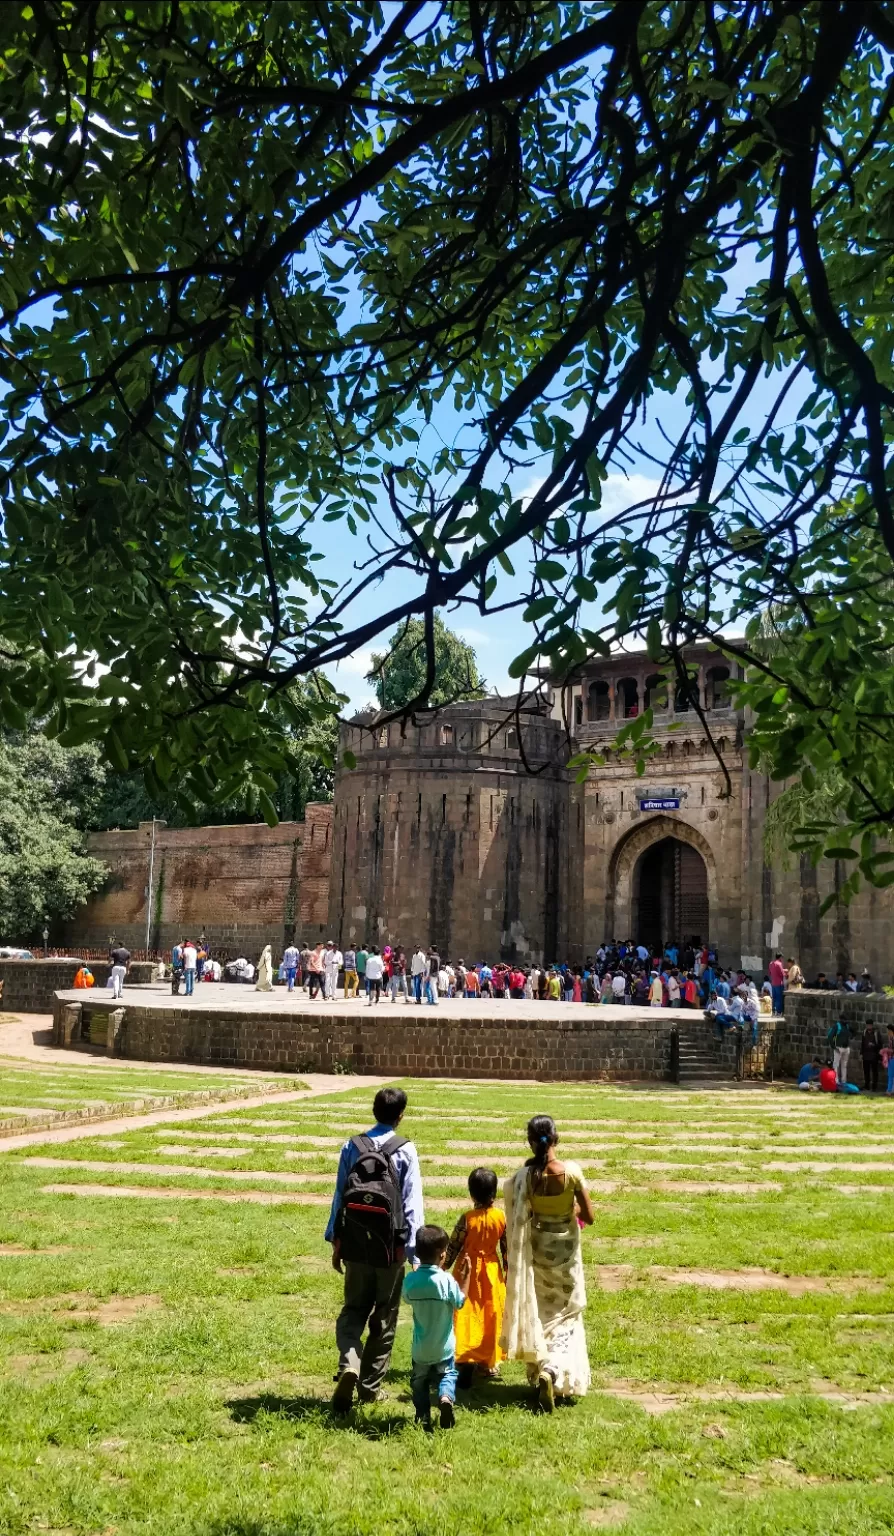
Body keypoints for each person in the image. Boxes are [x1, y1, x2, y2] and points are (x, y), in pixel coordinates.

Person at [327, 1086, 424, 1414]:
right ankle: (369, 1388)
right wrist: (412, 1253)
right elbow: (412, 1205)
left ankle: (349, 1363)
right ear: (401, 1115)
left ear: (373, 1111)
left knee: (353, 1309)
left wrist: (336, 1240)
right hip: (389, 1249)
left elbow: (340, 1195)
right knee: (384, 1317)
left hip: (355, 1244)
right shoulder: (405, 1150)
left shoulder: (350, 1147)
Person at [501, 1115, 594, 1412]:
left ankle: (543, 1365)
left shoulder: (524, 1178)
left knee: (542, 1314)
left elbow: (516, 1208)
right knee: (566, 1316)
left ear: (531, 1142)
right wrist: (572, 1208)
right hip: (566, 1257)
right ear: (556, 1138)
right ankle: (553, 1371)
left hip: (539, 1254)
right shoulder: (572, 1173)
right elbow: (589, 1217)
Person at [402, 1226, 471, 1430]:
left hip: (420, 1349)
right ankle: (445, 1397)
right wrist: (465, 1278)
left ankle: (423, 1416)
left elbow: (405, 1297)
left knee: (419, 1383)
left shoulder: (411, 1281)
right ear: (443, 1255)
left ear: (417, 1253)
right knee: (448, 1375)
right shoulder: (447, 1280)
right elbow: (460, 1302)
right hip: (444, 1348)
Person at [445, 1167, 508, 1388]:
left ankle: (463, 1356)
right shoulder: (500, 1217)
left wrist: (442, 1266)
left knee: (465, 1313)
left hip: (467, 1270)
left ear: (471, 1193)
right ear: (495, 1193)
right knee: (491, 1315)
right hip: (491, 1271)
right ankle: (488, 1363)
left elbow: (453, 1245)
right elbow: (506, 1248)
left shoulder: (467, 1218)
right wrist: (508, 1272)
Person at [827, 1018, 852, 1086]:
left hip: (846, 1048)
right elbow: (830, 1036)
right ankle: (836, 1081)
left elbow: (851, 1033)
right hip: (838, 1047)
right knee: (836, 1065)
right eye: (845, 1020)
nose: (846, 1021)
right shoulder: (837, 1026)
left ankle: (844, 1081)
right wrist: (834, 1047)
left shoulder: (847, 1026)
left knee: (844, 1065)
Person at [861, 1022, 883, 1092]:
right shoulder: (864, 1032)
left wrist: (873, 1045)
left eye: (870, 1025)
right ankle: (867, 1085)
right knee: (866, 1071)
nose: (868, 1026)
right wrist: (861, 1053)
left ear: (872, 1025)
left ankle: (874, 1087)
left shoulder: (876, 1033)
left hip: (874, 1056)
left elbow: (880, 1044)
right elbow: (862, 1043)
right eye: (867, 1025)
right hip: (866, 1055)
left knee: (874, 1072)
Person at [882, 1026, 894, 1097]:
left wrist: (886, 1050)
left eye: (889, 1031)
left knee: (891, 1075)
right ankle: (890, 1090)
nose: (888, 1032)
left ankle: (889, 1090)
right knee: (891, 1075)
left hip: (892, 1058)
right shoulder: (890, 1039)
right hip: (891, 1058)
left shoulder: (893, 1039)